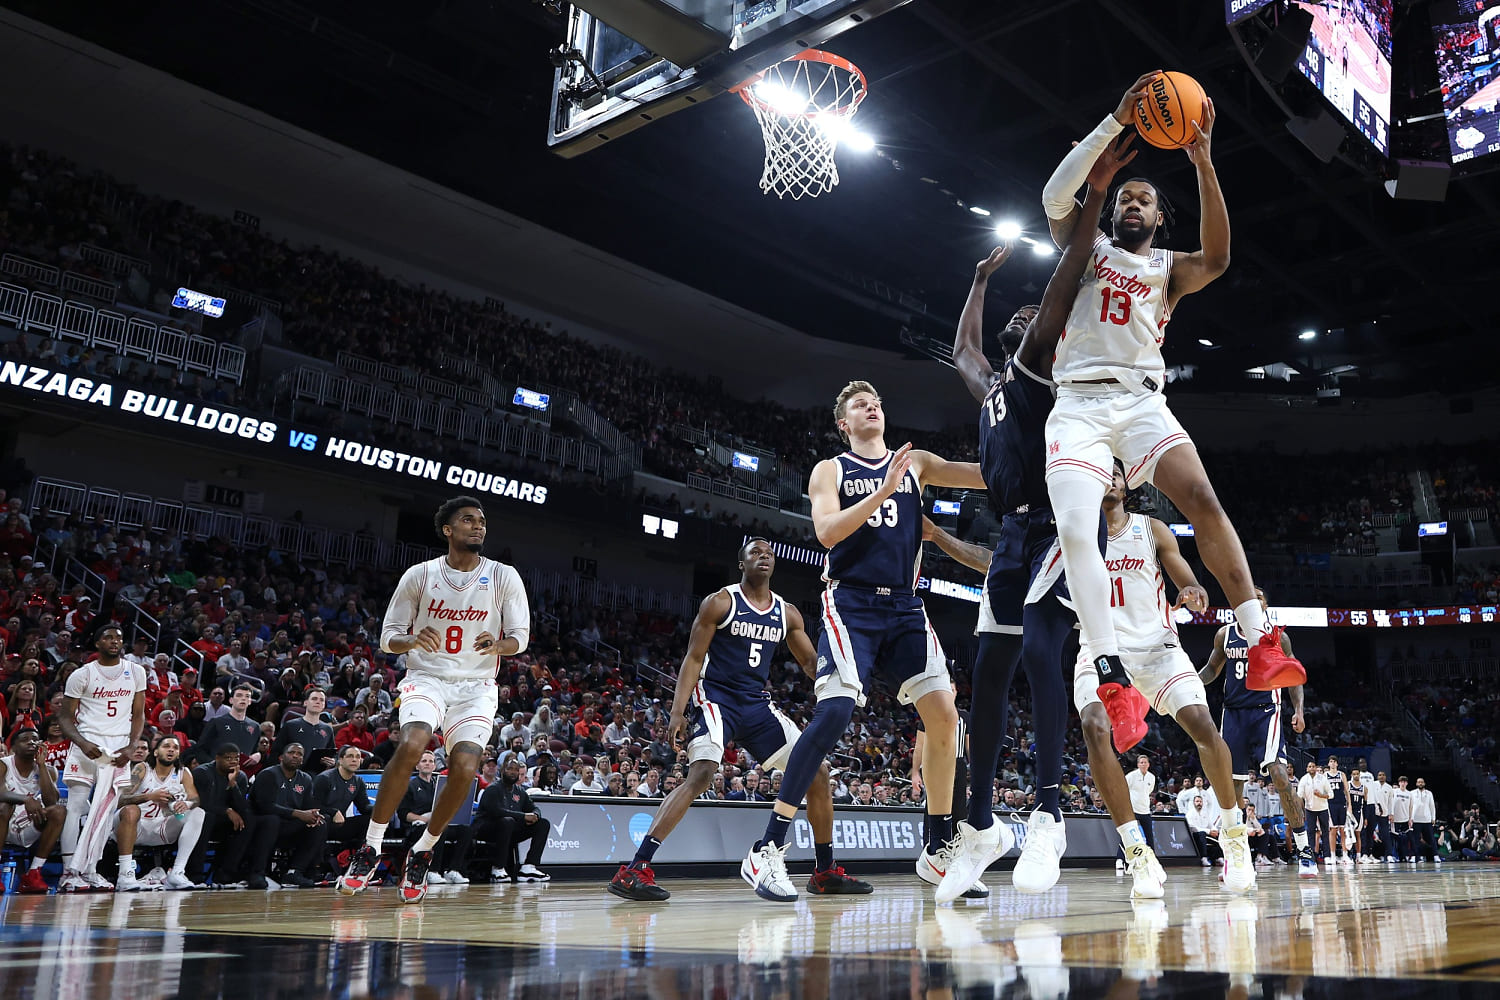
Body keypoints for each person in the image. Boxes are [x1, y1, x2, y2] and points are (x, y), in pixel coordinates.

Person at [1039, 74, 1304, 749]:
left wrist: (1204, 159)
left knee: (1203, 499)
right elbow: (1054, 195)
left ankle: (1258, 633)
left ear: (1159, 219)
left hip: (1140, 399)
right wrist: (1112, 122)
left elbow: (1218, 256)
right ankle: (1110, 675)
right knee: (1076, 528)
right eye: (1126, 194)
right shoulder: (1086, 248)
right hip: (1078, 402)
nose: (1133, 201)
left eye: (1146, 198)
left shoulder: (1168, 268)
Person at [931, 138, 1136, 904]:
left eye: (1030, 312)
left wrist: (1093, 199)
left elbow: (1061, 282)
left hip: (1059, 525)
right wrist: (980, 281)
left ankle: (1048, 810)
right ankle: (981, 824)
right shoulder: (988, 383)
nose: (1027, 315)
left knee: (1045, 651)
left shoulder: (1042, 367)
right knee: (986, 674)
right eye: (1018, 315)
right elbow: (960, 349)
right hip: (1012, 534)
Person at [736, 378, 984, 906]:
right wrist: (883, 491)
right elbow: (826, 533)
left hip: (905, 605)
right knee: (836, 710)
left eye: (877, 403)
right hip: (851, 602)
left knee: (945, 715)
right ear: (843, 423)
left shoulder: (914, 463)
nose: (872, 408)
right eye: (859, 406)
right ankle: (767, 848)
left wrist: (1044, 458)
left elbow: (988, 475)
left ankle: (939, 848)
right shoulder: (832, 469)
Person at [610, 539, 868, 902]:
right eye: (755, 553)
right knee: (701, 774)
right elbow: (693, 657)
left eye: (769, 553)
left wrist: (846, 679)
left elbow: (812, 665)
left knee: (819, 772)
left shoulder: (787, 612)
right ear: (741, 563)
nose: (764, 556)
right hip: (715, 698)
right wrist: (677, 711)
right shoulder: (720, 602)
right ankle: (634, 869)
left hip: (756, 705)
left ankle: (824, 871)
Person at [1063, 460, 1254, 892]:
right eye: (1099, 472)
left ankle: (1233, 833)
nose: (1107, 478)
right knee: (1094, 728)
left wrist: (1192, 591)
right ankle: (1137, 852)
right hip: (1100, 648)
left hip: (1156, 648)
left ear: (1127, 485)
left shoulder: (1152, 530)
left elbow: (1186, 579)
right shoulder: (1074, 534)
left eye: (1114, 472)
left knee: (1204, 726)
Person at [338, 496, 530, 904]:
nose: (478, 527)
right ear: (447, 529)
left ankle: (423, 850)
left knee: (464, 767)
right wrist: (410, 639)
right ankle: (370, 846)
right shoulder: (420, 575)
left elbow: (520, 638)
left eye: (481, 521)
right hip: (427, 676)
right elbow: (389, 636)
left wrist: (498, 644)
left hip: (476, 686)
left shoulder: (503, 576)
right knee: (411, 744)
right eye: (468, 520)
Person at [1198, 587, 1313, 875]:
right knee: (1232, 785)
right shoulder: (1224, 634)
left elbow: (1293, 676)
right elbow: (1212, 669)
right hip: (1234, 713)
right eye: (1249, 596)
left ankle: (1304, 847)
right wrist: (1189, 683)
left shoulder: (1277, 636)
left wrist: (1298, 710)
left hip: (1267, 711)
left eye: (1260, 596)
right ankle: (1236, 853)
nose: (1253, 599)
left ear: (1265, 605)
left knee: (1278, 773)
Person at [58, 625, 147, 892]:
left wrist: (132, 747)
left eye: (119, 637)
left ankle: (91, 869)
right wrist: (82, 742)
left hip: (119, 749)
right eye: (108, 637)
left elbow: (139, 714)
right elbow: (64, 717)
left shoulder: (136, 671)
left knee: (107, 810)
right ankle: (68, 872)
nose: (115, 641)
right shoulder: (81, 674)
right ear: (96, 643)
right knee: (76, 806)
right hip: (87, 745)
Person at [113, 734, 203, 890]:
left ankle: (177, 872)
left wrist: (185, 804)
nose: (171, 750)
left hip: (162, 827)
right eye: (166, 746)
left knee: (198, 812)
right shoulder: (142, 768)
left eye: (175, 748)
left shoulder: (183, 772)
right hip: (135, 826)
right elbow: (120, 800)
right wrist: (149, 796)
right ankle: (125, 874)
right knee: (131, 810)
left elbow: (195, 799)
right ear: (155, 752)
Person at [246, 742, 327, 889]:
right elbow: (264, 806)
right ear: (281, 757)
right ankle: (257, 872)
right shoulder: (268, 774)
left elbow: (307, 807)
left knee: (319, 824)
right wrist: (297, 813)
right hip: (261, 823)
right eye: (292, 752)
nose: (295, 756)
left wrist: (313, 814)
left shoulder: (306, 779)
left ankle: (294, 872)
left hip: (289, 825)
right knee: (272, 820)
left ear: (303, 760)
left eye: (300, 754)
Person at [0, 725, 65, 893]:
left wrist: (42, 765)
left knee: (58, 811)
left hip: (29, 823)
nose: (32, 742)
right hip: (3, 822)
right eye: (25, 740)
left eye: (35, 739)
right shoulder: (3, 765)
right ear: (13, 747)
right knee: (4, 807)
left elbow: (51, 801)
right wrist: (25, 799)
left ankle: (34, 872)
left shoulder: (49, 770)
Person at [397, 750, 474, 886]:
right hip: (418, 825)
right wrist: (424, 819)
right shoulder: (410, 786)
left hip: (439, 821)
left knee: (466, 830)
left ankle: (453, 870)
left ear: (435, 765)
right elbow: (403, 813)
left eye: (431, 761)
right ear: (417, 766)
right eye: (424, 761)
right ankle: (433, 870)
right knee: (439, 828)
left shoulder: (441, 784)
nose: (428, 764)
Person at [186, 744, 257, 885]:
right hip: (201, 818)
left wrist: (233, 784)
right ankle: (195, 875)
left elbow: (242, 807)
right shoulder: (202, 772)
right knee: (206, 817)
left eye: (236, 758)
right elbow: (200, 803)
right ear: (217, 758)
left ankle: (226, 875)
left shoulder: (240, 776)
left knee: (249, 820)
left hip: (225, 821)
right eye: (228, 758)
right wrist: (227, 810)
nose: (232, 761)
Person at [474, 756, 550, 882]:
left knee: (543, 824)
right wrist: (523, 816)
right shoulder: (493, 788)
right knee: (507, 821)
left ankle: (528, 867)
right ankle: (498, 868)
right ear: (503, 770)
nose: (513, 772)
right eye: (510, 769)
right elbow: (496, 811)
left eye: (516, 770)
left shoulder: (520, 791)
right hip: (486, 828)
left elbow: (533, 808)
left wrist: (536, 815)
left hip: (509, 829)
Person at [315, 744, 373, 853]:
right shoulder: (324, 778)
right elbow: (313, 805)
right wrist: (333, 812)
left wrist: (379, 808)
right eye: (350, 756)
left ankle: (361, 858)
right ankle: (316, 864)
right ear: (340, 760)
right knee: (324, 818)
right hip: (321, 824)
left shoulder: (358, 781)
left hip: (340, 825)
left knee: (369, 819)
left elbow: (364, 807)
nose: (354, 760)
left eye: (357, 757)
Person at [191, 684, 263, 765]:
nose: (243, 698)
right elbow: (199, 750)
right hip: (216, 773)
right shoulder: (216, 722)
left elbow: (254, 751)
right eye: (239, 695)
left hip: (241, 774)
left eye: (247, 696)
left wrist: (258, 755)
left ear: (250, 701)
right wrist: (213, 766)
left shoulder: (255, 727)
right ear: (231, 700)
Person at [272, 688, 336, 773]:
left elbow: (333, 754)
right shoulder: (291, 725)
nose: (318, 702)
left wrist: (333, 761)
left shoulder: (328, 729)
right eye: (314, 699)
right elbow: (276, 752)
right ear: (305, 703)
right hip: (290, 775)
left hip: (315, 778)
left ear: (324, 705)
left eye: (322, 700)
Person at [1298, 762, 1333, 862]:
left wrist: (1321, 795)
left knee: (1325, 832)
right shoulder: (1304, 779)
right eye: (1309, 766)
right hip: (1309, 809)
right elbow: (1299, 795)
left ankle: (1327, 856)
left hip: (1323, 808)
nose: (1312, 768)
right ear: (1307, 769)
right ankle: (1312, 855)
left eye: (1313, 766)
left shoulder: (1322, 778)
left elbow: (1331, 794)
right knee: (1310, 832)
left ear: (1316, 768)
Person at [1325, 755, 1352, 867]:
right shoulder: (1324, 775)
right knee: (1333, 830)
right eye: (1331, 761)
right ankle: (1332, 855)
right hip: (1330, 804)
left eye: (1334, 761)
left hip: (1341, 804)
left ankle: (1345, 854)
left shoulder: (1342, 774)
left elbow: (1346, 791)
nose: (1332, 763)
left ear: (1337, 764)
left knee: (1343, 830)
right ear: (1328, 764)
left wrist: (1349, 805)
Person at [1368, 770, 1393, 863]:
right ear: (1377, 776)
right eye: (1379, 775)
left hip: (1384, 814)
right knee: (1370, 833)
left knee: (1386, 835)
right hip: (1374, 813)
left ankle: (1389, 855)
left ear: (1385, 777)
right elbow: (1371, 798)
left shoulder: (1389, 787)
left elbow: (1391, 802)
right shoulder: (1373, 785)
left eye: (1383, 775)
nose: (1381, 776)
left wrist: (1391, 813)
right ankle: (1369, 854)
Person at [1411, 776, 1438, 864]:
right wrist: (1410, 818)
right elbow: (1410, 807)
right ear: (1416, 784)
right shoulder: (1412, 793)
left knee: (1431, 839)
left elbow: (1432, 806)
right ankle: (1416, 857)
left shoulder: (1429, 793)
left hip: (1427, 819)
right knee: (1416, 840)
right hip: (1415, 819)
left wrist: (1433, 818)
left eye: (1422, 782)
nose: (1420, 783)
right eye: (1419, 782)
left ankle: (1435, 856)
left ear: (1424, 783)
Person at [1389, 775, 1415, 863]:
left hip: (1405, 819)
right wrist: (1391, 814)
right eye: (1401, 782)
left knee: (1405, 839)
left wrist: (1410, 818)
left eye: (1404, 782)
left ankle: (1405, 857)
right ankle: (1392, 856)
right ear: (1399, 783)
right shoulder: (1394, 791)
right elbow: (1390, 803)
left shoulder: (1409, 794)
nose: (1403, 783)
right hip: (1395, 819)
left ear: (1407, 783)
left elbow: (1411, 807)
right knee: (1393, 839)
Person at [1348, 768, 1368, 866]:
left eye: (1357, 774)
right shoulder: (1348, 785)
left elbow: (1365, 803)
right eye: (1354, 774)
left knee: (1357, 834)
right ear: (1351, 775)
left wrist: (1365, 818)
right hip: (1349, 812)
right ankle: (1349, 855)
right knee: (1349, 834)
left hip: (1359, 812)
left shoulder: (1364, 787)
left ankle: (1358, 856)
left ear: (1360, 775)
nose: (1356, 775)